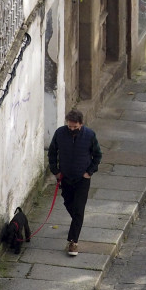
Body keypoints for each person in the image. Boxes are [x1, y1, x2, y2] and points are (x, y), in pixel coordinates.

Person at [47, 109, 102, 256]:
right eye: (69, 126)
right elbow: (52, 152)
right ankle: (77, 222)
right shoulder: (60, 133)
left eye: (74, 127)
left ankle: (73, 242)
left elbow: (97, 155)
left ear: (81, 124)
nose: (71, 129)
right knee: (68, 203)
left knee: (78, 209)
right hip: (65, 177)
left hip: (82, 179)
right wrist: (56, 170)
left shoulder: (89, 135)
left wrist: (89, 172)